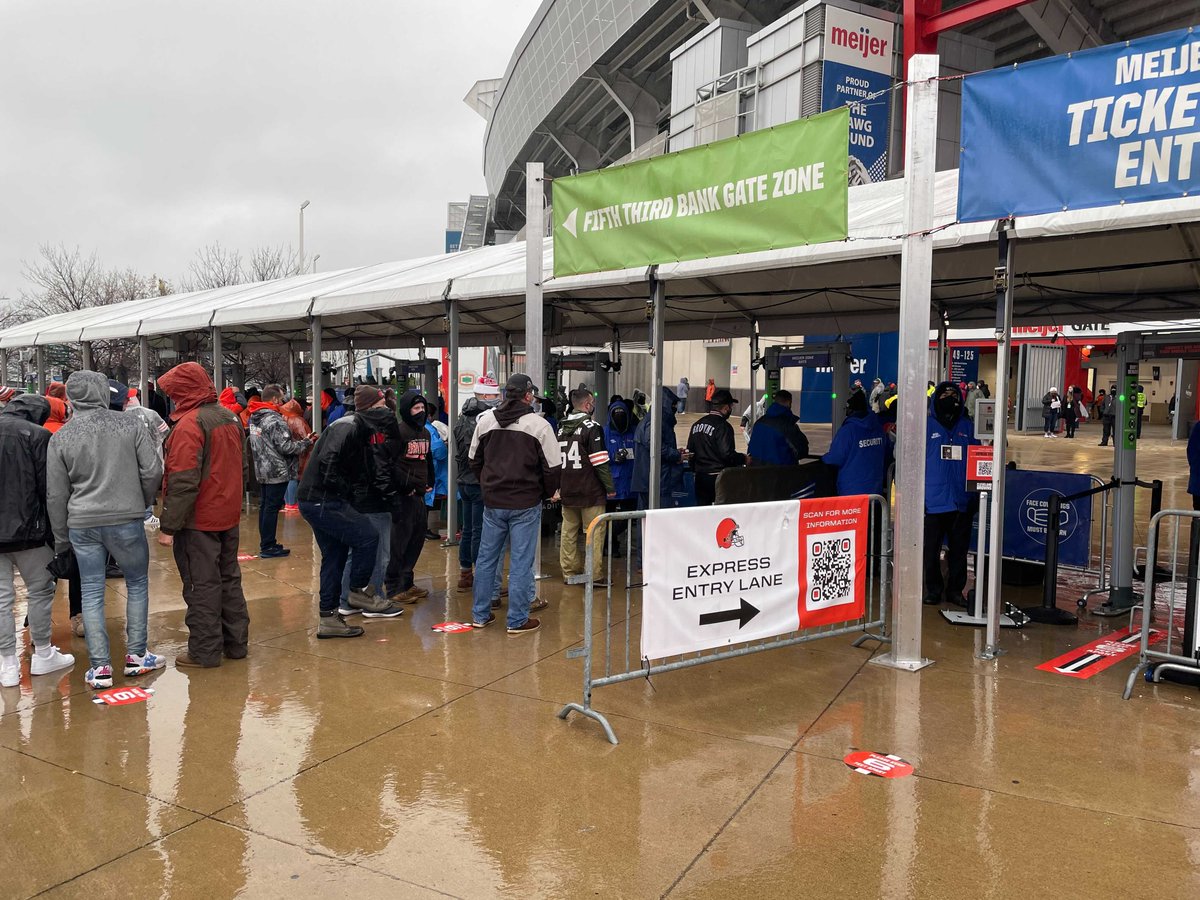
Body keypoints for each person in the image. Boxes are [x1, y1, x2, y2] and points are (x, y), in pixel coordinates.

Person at [46, 371, 163, 689]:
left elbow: (56, 495)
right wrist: (143, 500)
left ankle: (100, 668)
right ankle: (137, 656)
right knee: (137, 583)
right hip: (126, 517)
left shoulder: (61, 437)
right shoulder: (131, 424)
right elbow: (153, 469)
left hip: (82, 523)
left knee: (92, 591)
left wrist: (61, 539)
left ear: (70, 398)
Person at [156, 362, 253, 668]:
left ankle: (204, 651)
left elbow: (182, 479)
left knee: (201, 585)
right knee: (229, 580)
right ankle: (236, 644)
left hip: (198, 521)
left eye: (173, 393)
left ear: (182, 392)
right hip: (226, 514)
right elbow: (243, 468)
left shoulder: (189, 425)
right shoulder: (229, 417)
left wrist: (168, 526)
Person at [298, 387, 395, 638]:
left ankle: (328, 618)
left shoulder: (357, 427)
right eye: (381, 404)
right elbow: (331, 464)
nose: (386, 408)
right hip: (324, 500)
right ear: (370, 407)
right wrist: (345, 493)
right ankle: (357, 591)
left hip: (319, 499)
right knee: (368, 537)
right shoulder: (349, 426)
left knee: (335, 557)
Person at [468, 373, 562, 634]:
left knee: (486, 559)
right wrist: (545, 493)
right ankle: (517, 620)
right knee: (521, 562)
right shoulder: (539, 425)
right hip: (525, 503)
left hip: (493, 502)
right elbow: (553, 468)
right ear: (528, 395)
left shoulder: (485, 421)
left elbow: (474, 460)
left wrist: (488, 484)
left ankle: (480, 615)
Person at [0, 394, 75, 688]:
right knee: (41, 591)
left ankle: (6, 662)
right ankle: (43, 652)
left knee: (2, 599)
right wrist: (60, 536)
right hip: (30, 532)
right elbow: (51, 489)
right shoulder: (38, 435)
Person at [338, 385, 404, 619]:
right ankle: (374, 600)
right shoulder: (371, 431)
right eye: (380, 406)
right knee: (379, 554)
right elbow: (380, 467)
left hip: (355, 499)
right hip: (372, 500)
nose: (385, 409)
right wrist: (392, 498)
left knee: (356, 553)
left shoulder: (350, 426)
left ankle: (347, 599)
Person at [923, 381, 979, 607]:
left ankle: (955, 590)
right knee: (931, 551)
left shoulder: (968, 427)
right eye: (944, 394)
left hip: (961, 501)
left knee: (959, 551)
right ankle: (933, 590)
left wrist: (974, 495)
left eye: (953, 395)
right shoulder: (926, 427)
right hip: (933, 502)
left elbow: (980, 458)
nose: (949, 399)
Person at [557, 387, 614, 585]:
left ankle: (570, 573)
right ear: (588, 405)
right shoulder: (592, 427)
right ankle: (594, 575)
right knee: (594, 532)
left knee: (568, 532)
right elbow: (600, 461)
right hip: (590, 489)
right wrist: (609, 487)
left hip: (567, 487)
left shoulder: (561, 427)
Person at [248, 384, 312, 558]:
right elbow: (286, 447)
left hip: (262, 469)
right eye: (282, 398)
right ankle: (268, 546)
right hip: (277, 471)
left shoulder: (254, 417)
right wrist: (305, 442)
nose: (283, 401)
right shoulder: (275, 420)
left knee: (265, 507)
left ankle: (267, 542)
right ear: (275, 399)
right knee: (271, 508)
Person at [385, 390, 434, 604]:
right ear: (406, 410)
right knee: (399, 542)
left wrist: (429, 481)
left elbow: (427, 459)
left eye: (423, 408)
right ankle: (393, 587)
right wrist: (406, 486)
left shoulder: (425, 433)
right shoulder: (397, 432)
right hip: (403, 495)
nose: (420, 412)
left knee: (417, 539)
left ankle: (407, 582)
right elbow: (390, 464)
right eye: (416, 408)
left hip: (420, 495)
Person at [453, 376, 500, 592]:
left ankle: (465, 574)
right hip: (480, 481)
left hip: (463, 481)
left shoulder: (461, 418)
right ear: (483, 395)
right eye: (494, 395)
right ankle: (483, 578)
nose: (497, 399)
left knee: (468, 530)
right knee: (481, 533)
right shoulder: (486, 419)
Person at [823, 390, 890, 496]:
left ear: (851, 410)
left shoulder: (848, 430)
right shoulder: (878, 428)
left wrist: (823, 459)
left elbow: (835, 458)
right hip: (875, 490)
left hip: (852, 492)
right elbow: (887, 452)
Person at [688, 388, 745, 506]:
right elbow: (727, 454)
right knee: (720, 513)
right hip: (719, 478)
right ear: (725, 408)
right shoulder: (723, 426)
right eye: (730, 406)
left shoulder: (696, 425)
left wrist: (695, 469)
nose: (730, 409)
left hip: (700, 477)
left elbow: (690, 453)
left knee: (703, 510)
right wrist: (743, 459)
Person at [632, 386, 686, 511]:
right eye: (673, 405)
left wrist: (675, 453)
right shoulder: (655, 421)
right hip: (657, 481)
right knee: (657, 518)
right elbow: (654, 446)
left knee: (646, 520)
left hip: (649, 480)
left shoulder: (652, 420)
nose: (675, 408)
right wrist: (676, 455)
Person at [126, 388, 170, 529]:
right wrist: (153, 445)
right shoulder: (150, 413)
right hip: (150, 457)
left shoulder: (119, 416)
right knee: (148, 482)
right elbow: (165, 432)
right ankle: (147, 514)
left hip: (128, 458)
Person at [603, 397, 638, 556]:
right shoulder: (604, 432)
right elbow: (597, 454)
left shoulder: (634, 432)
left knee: (629, 516)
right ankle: (609, 545)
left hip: (630, 482)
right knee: (607, 515)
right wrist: (613, 456)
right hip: (611, 483)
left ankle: (611, 536)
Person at [746, 389, 808, 465]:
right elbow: (802, 450)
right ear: (789, 402)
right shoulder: (787, 426)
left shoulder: (759, 422)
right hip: (779, 473)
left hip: (756, 471)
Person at [280, 396, 311, 512]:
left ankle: (288, 502)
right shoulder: (298, 420)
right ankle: (292, 503)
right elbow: (306, 436)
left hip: (285, 452)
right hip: (298, 453)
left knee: (288, 477)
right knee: (294, 477)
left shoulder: (283, 417)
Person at [424, 400, 449, 541]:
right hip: (430, 469)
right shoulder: (429, 429)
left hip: (418, 470)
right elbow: (439, 451)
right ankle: (423, 530)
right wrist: (445, 445)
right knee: (426, 500)